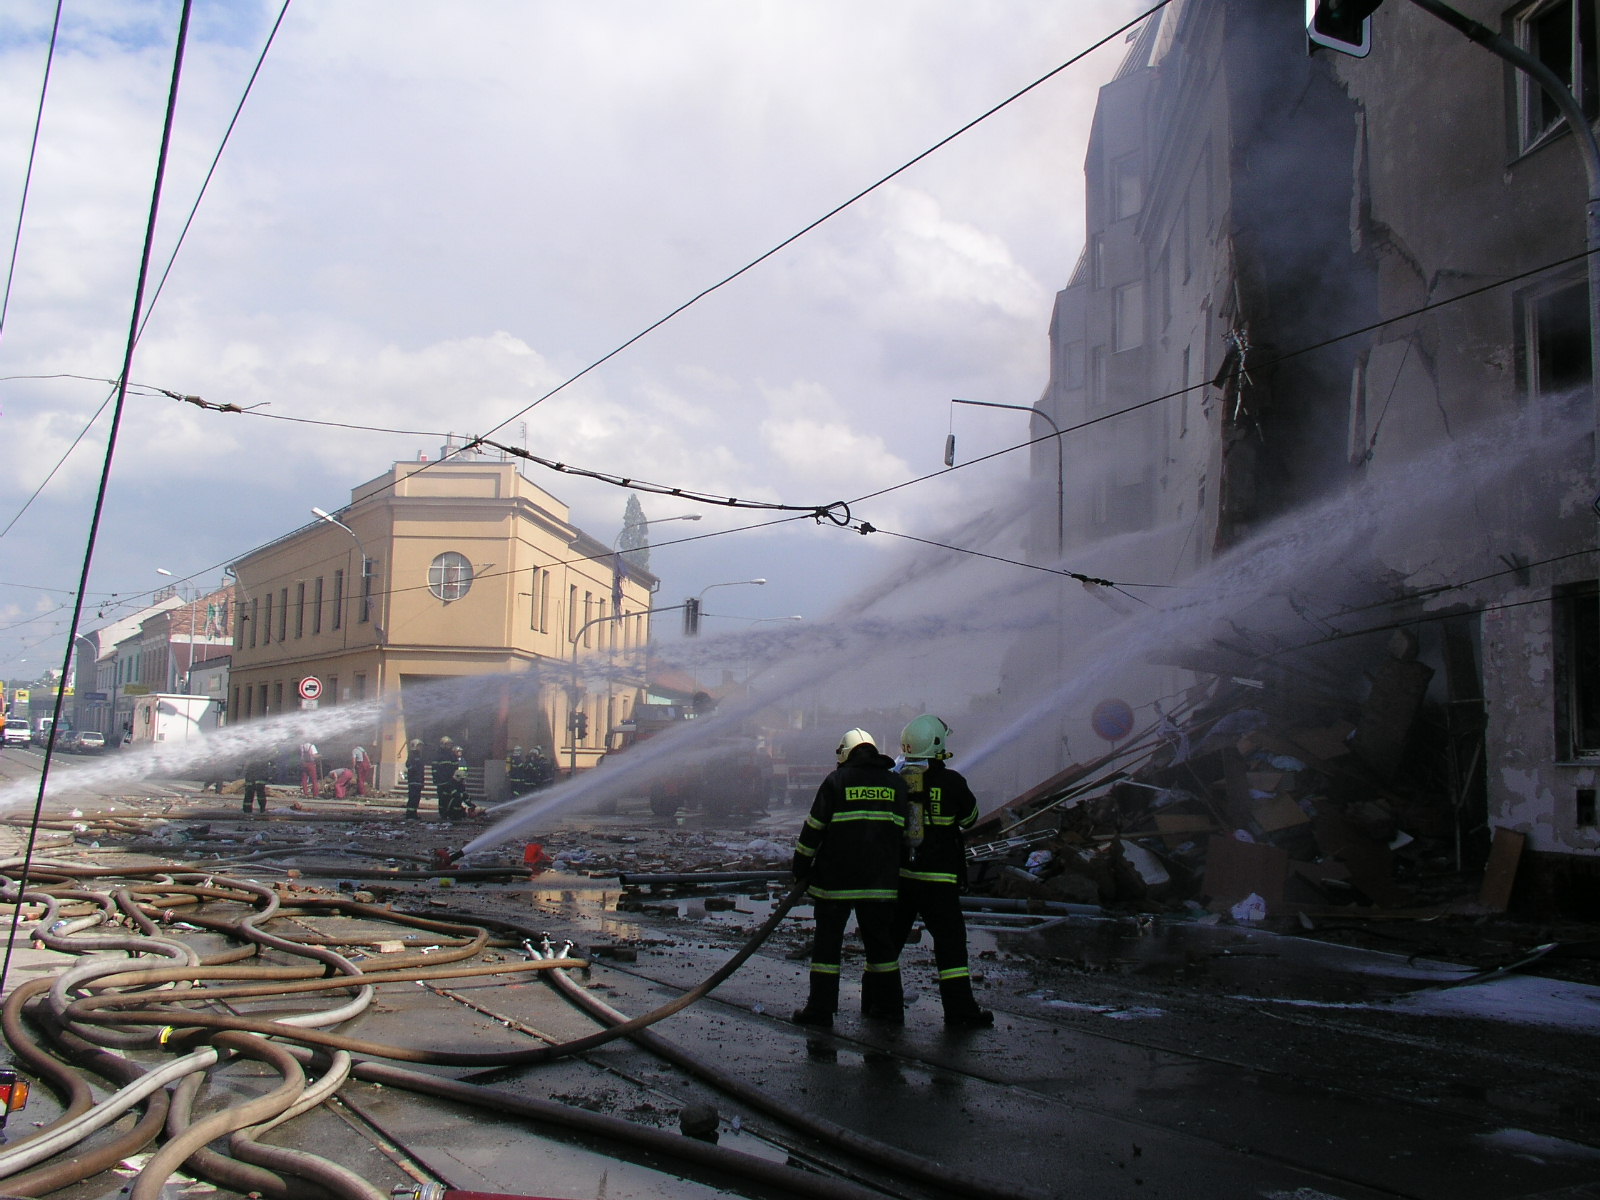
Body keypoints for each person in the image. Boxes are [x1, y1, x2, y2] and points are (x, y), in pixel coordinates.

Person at [789, 728, 909, 1029]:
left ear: (845, 753)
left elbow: (813, 829)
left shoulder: (836, 781)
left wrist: (801, 867)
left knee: (827, 949)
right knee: (881, 948)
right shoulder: (896, 783)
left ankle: (820, 1010)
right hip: (880, 884)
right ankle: (890, 1008)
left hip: (835, 883)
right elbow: (906, 834)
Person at [890, 714, 992, 1028]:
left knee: (888, 944)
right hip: (940, 880)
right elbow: (970, 819)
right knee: (950, 947)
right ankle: (960, 1013)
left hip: (904, 877)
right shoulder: (952, 782)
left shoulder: (896, 781)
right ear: (937, 743)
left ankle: (880, 1005)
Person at [434, 737, 466, 821]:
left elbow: (456, 768)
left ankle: (451, 814)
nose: (449, 746)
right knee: (442, 799)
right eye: (447, 744)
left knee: (450, 798)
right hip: (441, 781)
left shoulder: (452, 756)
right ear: (443, 745)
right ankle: (442, 815)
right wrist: (435, 779)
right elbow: (434, 768)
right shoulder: (438, 755)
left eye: (450, 744)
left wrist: (456, 779)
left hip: (450, 781)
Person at [405, 738, 426, 819]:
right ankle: (410, 814)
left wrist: (422, 781)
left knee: (416, 798)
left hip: (418, 780)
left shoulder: (419, 756)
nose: (420, 748)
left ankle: (413, 813)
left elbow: (421, 770)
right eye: (419, 746)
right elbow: (408, 765)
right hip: (413, 780)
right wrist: (414, 769)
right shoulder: (412, 755)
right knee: (413, 798)